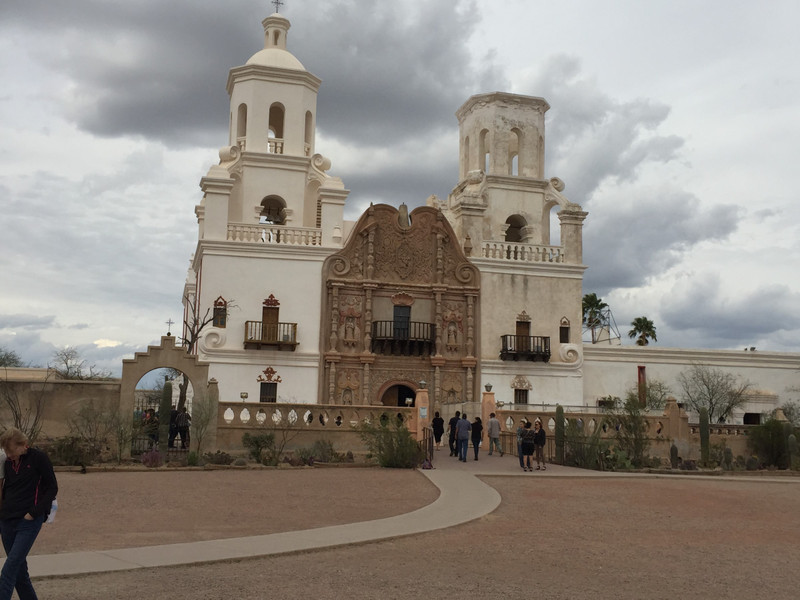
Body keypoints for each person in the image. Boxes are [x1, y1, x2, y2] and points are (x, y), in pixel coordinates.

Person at [0, 428, 58, 600]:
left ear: (22, 445)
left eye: (11, 450)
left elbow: (52, 487)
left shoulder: (38, 458)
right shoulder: (8, 463)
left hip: (28, 521)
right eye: (6, 451)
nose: (9, 455)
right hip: (7, 521)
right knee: (18, 572)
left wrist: (34, 512)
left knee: (10, 568)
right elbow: (6, 489)